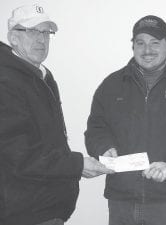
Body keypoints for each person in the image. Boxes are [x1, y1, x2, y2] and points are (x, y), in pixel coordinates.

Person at [85, 15, 166, 225]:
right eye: (140, 43)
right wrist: (103, 146)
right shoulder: (112, 85)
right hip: (122, 201)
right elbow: (96, 128)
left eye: (155, 43)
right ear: (133, 46)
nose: (147, 50)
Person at [0, 4, 114, 225]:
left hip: (43, 208)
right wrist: (77, 165)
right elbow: (19, 155)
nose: (41, 40)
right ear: (13, 37)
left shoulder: (40, 76)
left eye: (46, 32)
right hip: (23, 213)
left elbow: (45, 145)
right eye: (32, 31)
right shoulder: (6, 81)